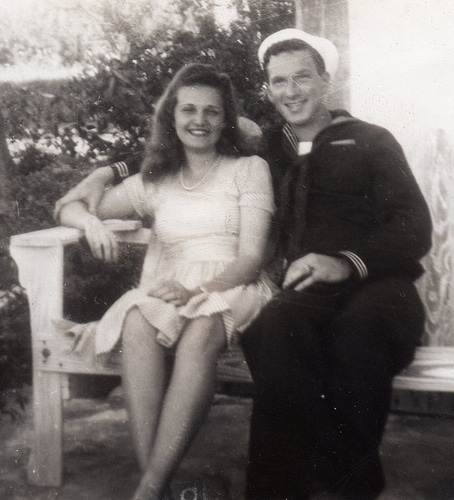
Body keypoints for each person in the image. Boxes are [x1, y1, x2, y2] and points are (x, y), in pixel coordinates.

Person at [55, 29, 433, 499]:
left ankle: (349, 485)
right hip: (306, 291)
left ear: (326, 81)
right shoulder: (270, 144)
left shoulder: (370, 141)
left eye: (302, 78)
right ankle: (274, 489)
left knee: (356, 338)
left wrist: (346, 261)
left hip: (379, 285)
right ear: (269, 89)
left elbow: (415, 227)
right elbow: (186, 142)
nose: (291, 91)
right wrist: (106, 171)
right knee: (273, 332)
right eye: (279, 82)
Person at [58, 63, 276, 500]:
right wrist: (92, 214)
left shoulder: (249, 169)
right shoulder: (155, 181)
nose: (199, 121)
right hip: (171, 288)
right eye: (189, 109)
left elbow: (251, 260)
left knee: (199, 332)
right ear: (171, 117)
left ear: (225, 119)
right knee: (139, 319)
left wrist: (196, 291)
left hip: (232, 286)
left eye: (212, 112)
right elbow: (67, 206)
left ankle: (149, 487)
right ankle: (154, 484)